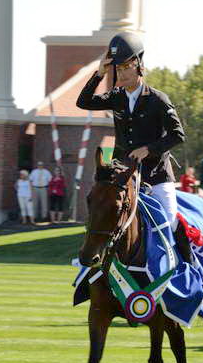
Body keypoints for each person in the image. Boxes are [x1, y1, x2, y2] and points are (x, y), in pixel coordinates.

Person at [76, 31, 192, 262]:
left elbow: (178, 135)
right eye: (118, 68)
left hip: (156, 175)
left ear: (139, 66)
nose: (122, 73)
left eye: (127, 67)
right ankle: (89, 276)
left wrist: (149, 149)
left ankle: (185, 267)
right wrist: (99, 73)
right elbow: (83, 102)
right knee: (101, 213)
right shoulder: (116, 96)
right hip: (123, 175)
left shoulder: (158, 99)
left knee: (169, 220)